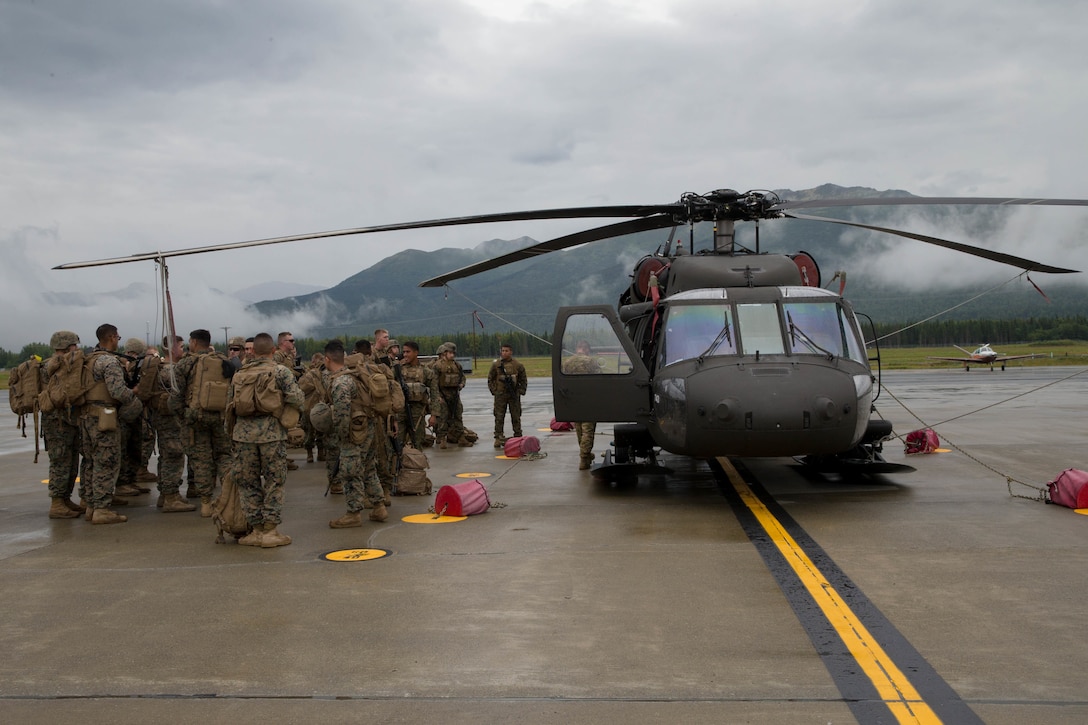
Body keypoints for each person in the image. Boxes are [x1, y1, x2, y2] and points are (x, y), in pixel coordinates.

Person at [227, 332, 305, 547]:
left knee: (248, 481)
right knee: (274, 481)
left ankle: (256, 530)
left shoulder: (239, 373)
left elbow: (230, 406)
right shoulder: (280, 371)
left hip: (243, 435)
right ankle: (271, 531)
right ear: (273, 351)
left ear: (252, 352)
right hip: (272, 434)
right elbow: (297, 398)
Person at [80, 323, 142, 524]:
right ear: (112, 337)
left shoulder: (88, 360)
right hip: (104, 417)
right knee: (106, 461)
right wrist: (133, 393)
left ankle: (90, 505)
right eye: (117, 337)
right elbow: (117, 392)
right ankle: (102, 509)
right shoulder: (109, 362)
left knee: (90, 461)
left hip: (86, 417)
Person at [324, 340, 388, 528]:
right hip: (367, 429)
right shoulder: (354, 375)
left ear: (328, 359)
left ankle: (353, 513)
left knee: (350, 473)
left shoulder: (340, 382)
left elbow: (342, 413)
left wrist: (343, 437)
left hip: (354, 434)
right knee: (369, 469)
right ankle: (379, 506)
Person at [170, 328, 232, 516]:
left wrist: (183, 414)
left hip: (196, 419)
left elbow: (175, 396)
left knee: (201, 459)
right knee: (225, 456)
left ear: (194, 342)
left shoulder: (186, 364)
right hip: (221, 417)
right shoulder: (224, 361)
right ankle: (229, 497)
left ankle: (206, 503)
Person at [148, 335, 195, 513]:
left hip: (162, 418)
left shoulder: (160, 368)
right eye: (181, 347)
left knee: (166, 456)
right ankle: (171, 496)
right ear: (173, 348)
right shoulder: (171, 371)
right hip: (171, 420)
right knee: (174, 456)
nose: (183, 350)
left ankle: (164, 494)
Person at [41, 330, 84, 519]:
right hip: (56, 422)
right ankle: (57, 502)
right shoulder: (52, 366)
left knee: (71, 459)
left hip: (68, 421)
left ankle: (65, 499)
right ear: (68, 346)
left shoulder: (63, 364)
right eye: (74, 345)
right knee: (60, 461)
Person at [561, 340, 601, 470]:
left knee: (579, 428)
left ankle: (586, 455)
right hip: (589, 399)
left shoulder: (567, 362)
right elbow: (599, 380)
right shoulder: (592, 362)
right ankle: (584, 457)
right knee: (588, 430)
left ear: (577, 349)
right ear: (587, 350)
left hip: (574, 400)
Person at [395, 341, 437, 450]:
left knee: (417, 442)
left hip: (417, 412)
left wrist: (434, 415)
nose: (405, 355)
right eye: (403, 352)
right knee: (397, 443)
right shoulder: (398, 369)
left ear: (416, 352)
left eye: (408, 352)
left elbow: (435, 393)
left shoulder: (425, 371)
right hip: (400, 412)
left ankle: (416, 464)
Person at [430, 342, 472, 449]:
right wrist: (437, 396)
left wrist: (462, 384)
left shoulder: (457, 365)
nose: (452, 355)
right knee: (443, 417)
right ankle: (442, 438)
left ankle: (461, 437)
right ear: (444, 353)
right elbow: (434, 383)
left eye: (453, 353)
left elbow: (462, 377)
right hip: (443, 394)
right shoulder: (438, 366)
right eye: (450, 353)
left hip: (455, 394)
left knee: (458, 415)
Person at [487, 342, 527, 448]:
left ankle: (518, 435)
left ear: (511, 352)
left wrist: (520, 391)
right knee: (499, 416)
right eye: (503, 351)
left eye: (506, 351)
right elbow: (490, 378)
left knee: (516, 416)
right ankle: (498, 437)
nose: (504, 353)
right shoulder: (497, 365)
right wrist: (494, 391)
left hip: (513, 394)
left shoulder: (517, 365)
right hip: (500, 394)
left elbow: (523, 379)